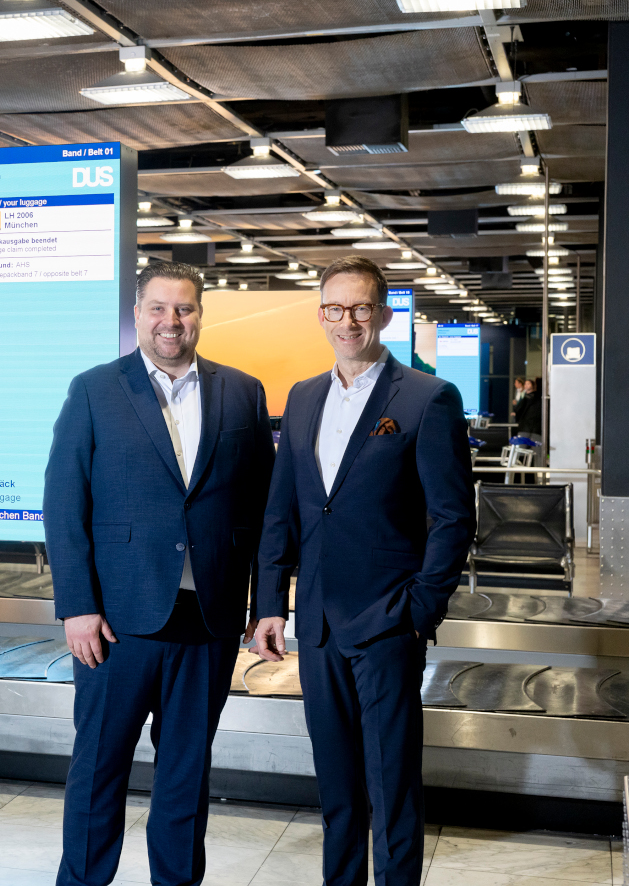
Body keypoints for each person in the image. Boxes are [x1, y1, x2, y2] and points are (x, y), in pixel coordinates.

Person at [45, 261, 275, 886]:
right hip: (116, 624)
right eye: (158, 308)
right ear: (138, 313)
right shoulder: (95, 389)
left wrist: (269, 603)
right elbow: (65, 505)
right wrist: (77, 607)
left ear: (201, 313)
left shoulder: (242, 392)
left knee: (185, 776)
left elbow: (261, 508)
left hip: (209, 622)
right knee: (98, 772)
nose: (172, 322)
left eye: (185, 309)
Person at [251, 255, 474, 886]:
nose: (347, 321)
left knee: (393, 786)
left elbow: (453, 516)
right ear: (320, 314)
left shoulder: (427, 397)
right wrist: (271, 603)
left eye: (360, 308)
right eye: (334, 308)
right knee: (338, 788)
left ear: (383, 314)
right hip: (317, 623)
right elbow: (283, 510)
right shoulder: (302, 398)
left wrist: (420, 609)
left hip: (387, 621)